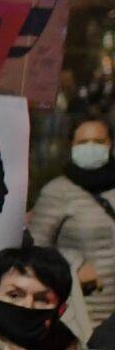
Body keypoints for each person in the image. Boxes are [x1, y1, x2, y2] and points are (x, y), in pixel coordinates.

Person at [28, 118, 115, 323]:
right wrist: (74, 264)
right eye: (83, 142)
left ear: (111, 145)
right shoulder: (57, 192)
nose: (91, 147)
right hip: (88, 312)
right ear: (72, 146)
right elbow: (36, 246)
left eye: (99, 141)